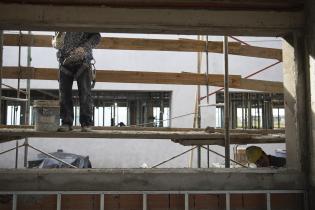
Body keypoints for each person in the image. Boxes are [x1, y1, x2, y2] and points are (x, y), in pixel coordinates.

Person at [55, 32, 101, 132]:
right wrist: (56, 43)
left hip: (83, 61)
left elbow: (97, 37)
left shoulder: (84, 18)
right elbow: (56, 41)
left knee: (85, 93)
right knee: (64, 93)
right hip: (65, 61)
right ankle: (66, 122)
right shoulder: (61, 21)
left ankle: (86, 123)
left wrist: (84, 48)